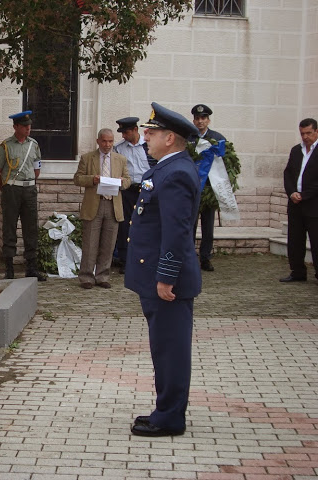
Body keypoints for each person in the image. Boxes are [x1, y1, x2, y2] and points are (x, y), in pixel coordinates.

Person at [125, 102, 201, 437]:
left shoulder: (177, 173)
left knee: (170, 350)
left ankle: (170, 418)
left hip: (167, 282)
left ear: (170, 138)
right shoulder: (167, 169)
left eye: (151, 133)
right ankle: (164, 410)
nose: (145, 138)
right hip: (156, 278)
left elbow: (177, 232)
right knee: (164, 348)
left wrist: (166, 277)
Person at [0, 111, 46, 281]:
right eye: (25, 126)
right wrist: (5, 189)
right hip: (12, 190)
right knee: (9, 227)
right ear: (16, 127)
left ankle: (31, 267)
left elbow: (37, 169)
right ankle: (9, 268)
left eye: (29, 125)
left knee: (31, 228)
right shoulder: (5, 146)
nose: (29, 128)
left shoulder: (34, 145)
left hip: (29, 190)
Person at [73, 128, 131, 289]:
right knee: (90, 244)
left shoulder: (120, 159)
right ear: (98, 141)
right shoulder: (87, 158)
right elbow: (77, 179)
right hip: (94, 204)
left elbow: (128, 180)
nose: (107, 144)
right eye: (104, 141)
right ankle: (86, 277)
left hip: (113, 205)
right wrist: (93, 179)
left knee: (108, 244)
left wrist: (121, 181)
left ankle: (103, 276)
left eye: (111, 141)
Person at [113, 117, 156, 274]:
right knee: (125, 226)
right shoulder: (118, 148)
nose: (123, 135)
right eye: (122, 132)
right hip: (128, 190)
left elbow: (155, 168)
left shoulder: (148, 144)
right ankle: (125, 260)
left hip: (147, 188)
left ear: (135, 130)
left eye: (126, 132)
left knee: (146, 224)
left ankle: (145, 259)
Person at [187, 104, 226, 272]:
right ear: (194, 120)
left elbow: (226, 164)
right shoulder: (188, 138)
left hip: (210, 190)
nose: (200, 121)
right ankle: (189, 257)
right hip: (193, 189)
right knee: (190, 226)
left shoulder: (217, 138)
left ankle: (205, 258)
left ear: (208, 120)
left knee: (208, 228)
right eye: (197, 118)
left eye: (203, 118)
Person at [279, 118, 318, 283]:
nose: (305, 137)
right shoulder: (296, 150)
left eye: (309, 133)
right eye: (302, 133)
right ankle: (297, 272)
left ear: (316, 131)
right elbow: (288, 174)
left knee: (316, 241)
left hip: (313, 203)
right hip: (295, 203)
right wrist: (292, 192)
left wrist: (305, 194)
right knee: (295, 240)